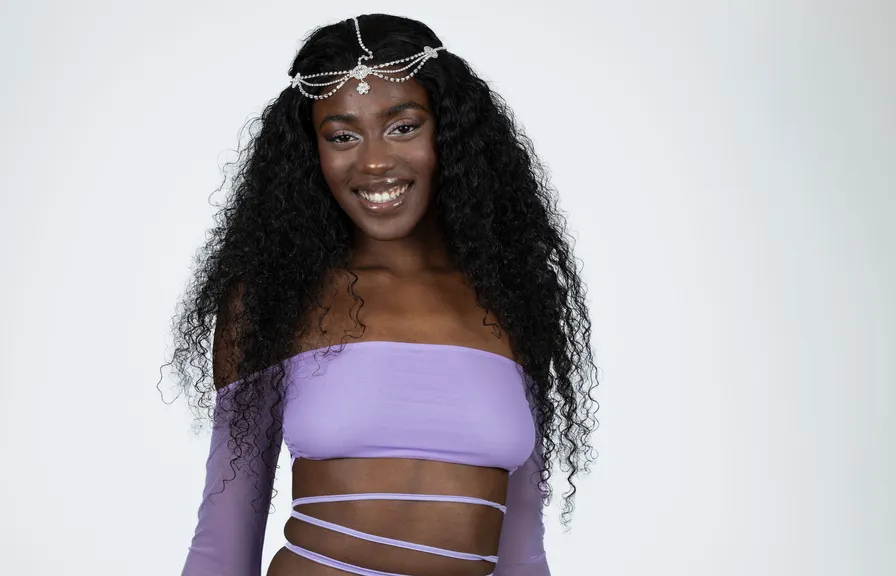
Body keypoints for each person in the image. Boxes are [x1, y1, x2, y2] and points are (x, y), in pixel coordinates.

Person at [162, 13, 599, 576]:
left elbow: (522, 550)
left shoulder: (513, 298)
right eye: (342, 136)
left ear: (450, 132)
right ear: (312, 153)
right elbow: (224, 535)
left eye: (403, 127)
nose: (373, 160)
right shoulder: (273, 299)